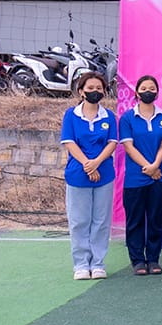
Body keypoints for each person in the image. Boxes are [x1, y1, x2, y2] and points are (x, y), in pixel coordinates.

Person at [60, 72, 117, 280]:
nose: (95, 91)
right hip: (78, 174)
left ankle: (98, 263)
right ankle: (81, 264)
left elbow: (112, 143)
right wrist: (87, 164)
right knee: (79, 221)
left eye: (99, 88)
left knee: (101, 221)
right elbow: (69, 142)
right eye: (90, 88)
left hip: (104, 174)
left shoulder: (109, 116)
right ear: (81, 91)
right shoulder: (71, 115)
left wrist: (96, 163)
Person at [119, 75, 162, 275]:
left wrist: (155, 166)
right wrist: (148, 167)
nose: (148, 91)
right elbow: (129, 147)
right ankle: (138, 260)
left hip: (159, 177)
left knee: (156, 220)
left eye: (152, 88)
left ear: (157, 93)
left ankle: (153, 260)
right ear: (137, 92)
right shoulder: (127, 118)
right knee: (135, 221)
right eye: (144, 88)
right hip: (135, 178)